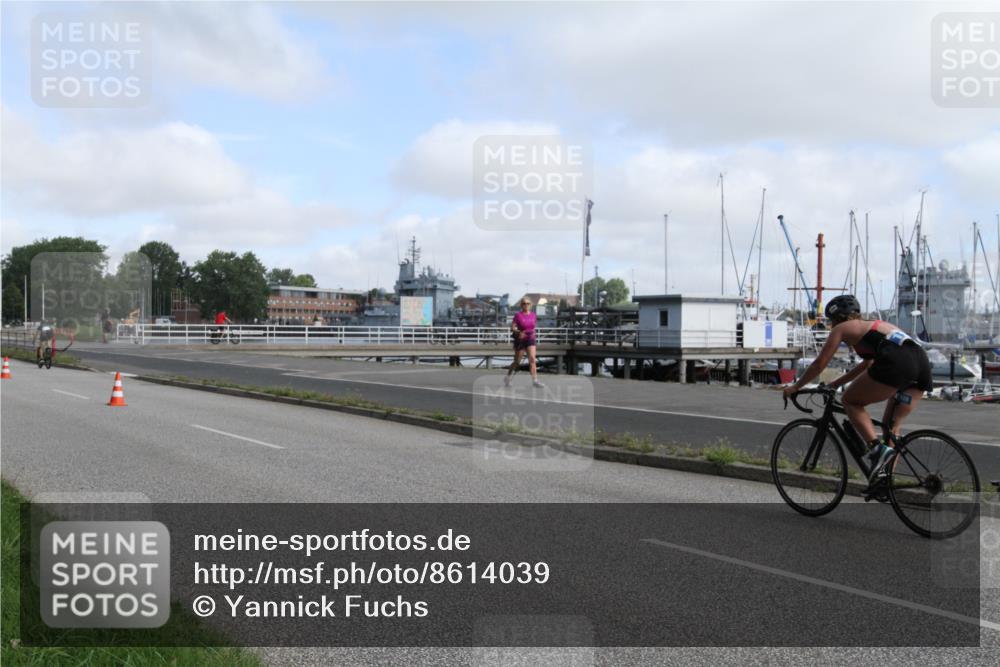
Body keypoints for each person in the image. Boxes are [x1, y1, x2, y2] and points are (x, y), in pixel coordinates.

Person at [779, 294, 933, 487]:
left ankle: (877, 450)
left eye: (831, 321)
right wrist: (835, 384)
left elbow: (819, 364)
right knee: (891, 426)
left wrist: (796, 386)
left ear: (837, 318)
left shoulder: (842, 328)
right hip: (920, 364)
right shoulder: (876, 325)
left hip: (897, 363)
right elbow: (867, 365)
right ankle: (886, 482)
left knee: (850, 401)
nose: (830, 325)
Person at [504, 298, 544, 388]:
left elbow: (533, 327)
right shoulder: (518, 315)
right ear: (521, 305)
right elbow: (512, 328)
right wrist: (518, 332)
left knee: (532, 359)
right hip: (520, 339)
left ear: (530, 305)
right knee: (517, 362)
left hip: (530, 339)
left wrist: (533, 333)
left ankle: (535, 381)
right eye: (524, 303)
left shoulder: (533, 315)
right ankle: (508, 377)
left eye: (528, 303)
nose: (526, 305)